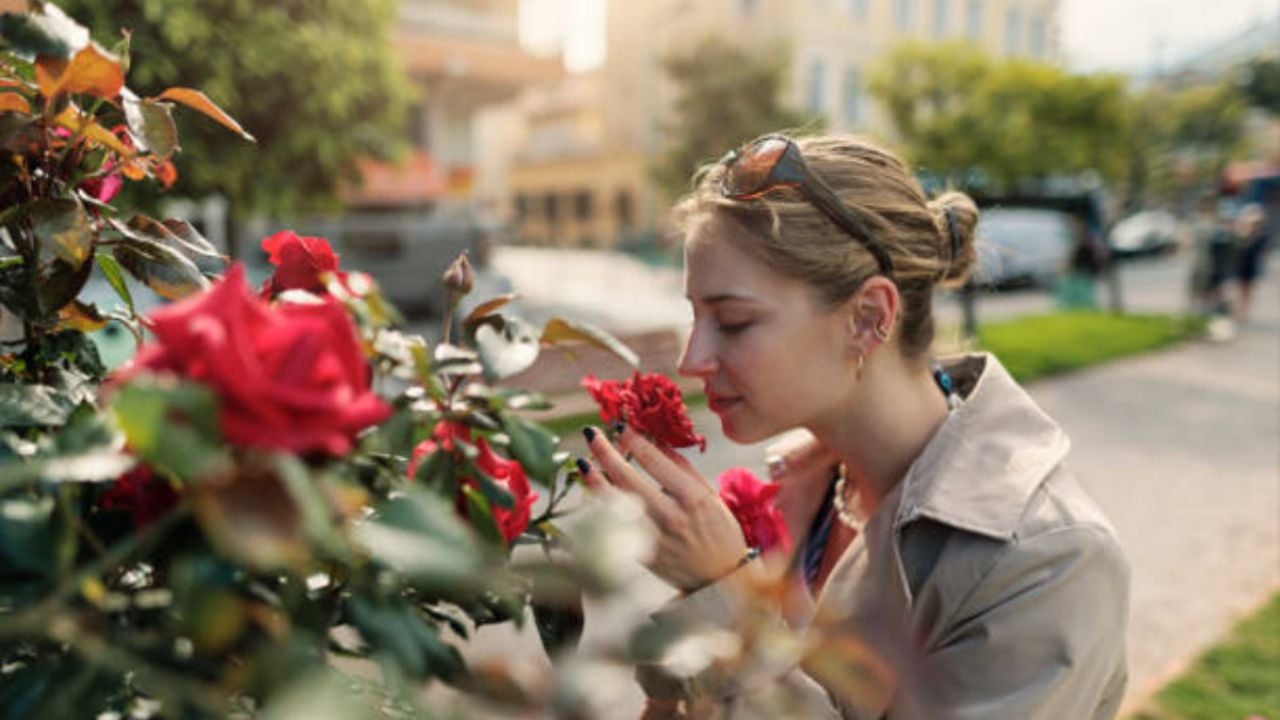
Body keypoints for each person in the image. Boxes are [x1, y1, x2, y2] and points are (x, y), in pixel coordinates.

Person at [579, 134, 1129, 718]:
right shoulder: (796, 486)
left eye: (734, 321)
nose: (694, 359)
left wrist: (727, 600)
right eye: (696, 316)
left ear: (869, 318)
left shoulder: (1047, 562)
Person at [1232, 202, 1269, 322]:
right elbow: (1238, 246)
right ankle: (1239, 310)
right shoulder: (1243, 233)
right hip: (1242, 265)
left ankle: (1243, 311)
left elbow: (1262, 252)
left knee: (1248, 290)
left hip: (1251, 265)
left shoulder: (1260, 236)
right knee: (1240, 289)